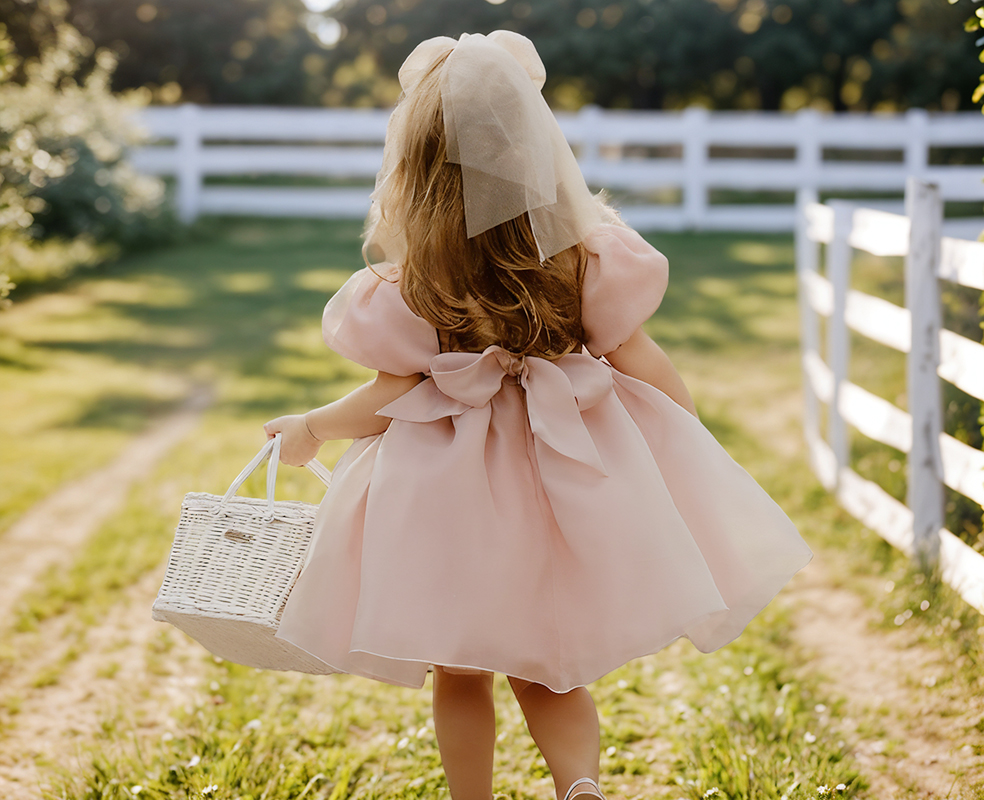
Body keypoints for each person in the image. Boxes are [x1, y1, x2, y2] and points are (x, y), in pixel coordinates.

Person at [262, 31, 812, 800]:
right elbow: (641, 362)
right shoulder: (587, 260)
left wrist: (313, 425)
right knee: (550, 665)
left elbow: (388, 397)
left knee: (459, 671)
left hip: (447, 494)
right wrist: (687, 441)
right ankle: (577, 786)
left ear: (416, 167)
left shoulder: (413, 283)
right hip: (560, 481)